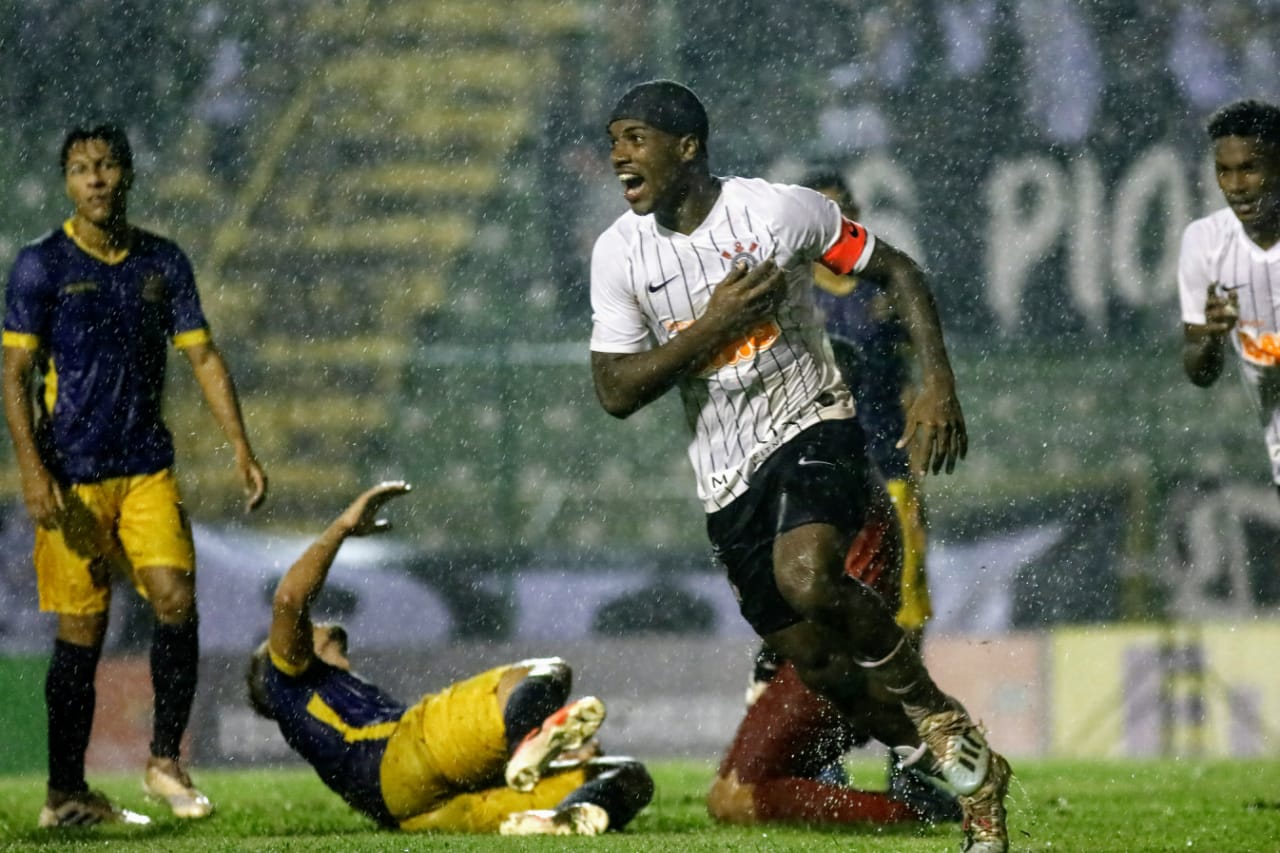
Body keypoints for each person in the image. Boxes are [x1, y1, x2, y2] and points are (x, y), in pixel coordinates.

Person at [589, 79, 1011, 852]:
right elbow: (615, 390)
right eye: (614, 138)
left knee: (809, 575)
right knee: (817, 661)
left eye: (635, 137)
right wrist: (714, 324)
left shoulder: (777, 213)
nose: (619, 153)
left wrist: (939, 386)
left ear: (688, 148)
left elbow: (902, 273)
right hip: (726, 475)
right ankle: (953, 762)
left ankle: (937, 711)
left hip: (815, 421)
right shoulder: (618, 254)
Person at [2, 123, 268, 827]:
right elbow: (14, 372)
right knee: (82, 631)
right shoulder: (41, 266)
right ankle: (66, 793)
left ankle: (163, 761)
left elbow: (203, 356)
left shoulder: (161, 262)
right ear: (67, 182)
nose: (94, 179)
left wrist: (240, 446)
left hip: (146, 465)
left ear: (127, 175)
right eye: (81, 168)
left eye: (106, 166)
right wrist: (31, 468)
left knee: (175, 596)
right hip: (73, 476)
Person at [244, 481, 654, 835]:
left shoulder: (332, 705)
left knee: (626, 775)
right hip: (401, 757)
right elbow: (289, 600)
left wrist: (561, 759)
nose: (311, 627)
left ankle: (557, 818)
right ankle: (527, 742)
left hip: (415, 813)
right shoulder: (287, 680)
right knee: (542, 673)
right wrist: (343, 528)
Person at [708, 485, 961, 827]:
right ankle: (923, 794)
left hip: (835, 659)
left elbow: (831, 591)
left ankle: (922, 811)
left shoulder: (816, 463)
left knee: (737, 796)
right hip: (828, 655)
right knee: (735, 794)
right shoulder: (815, 459)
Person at [1179, 99, 1280, 499]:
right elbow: (1198, 371)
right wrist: (1212, 338)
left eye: (1250, 169)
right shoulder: (1204, 243)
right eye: (1225, 171)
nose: (1236, 187)